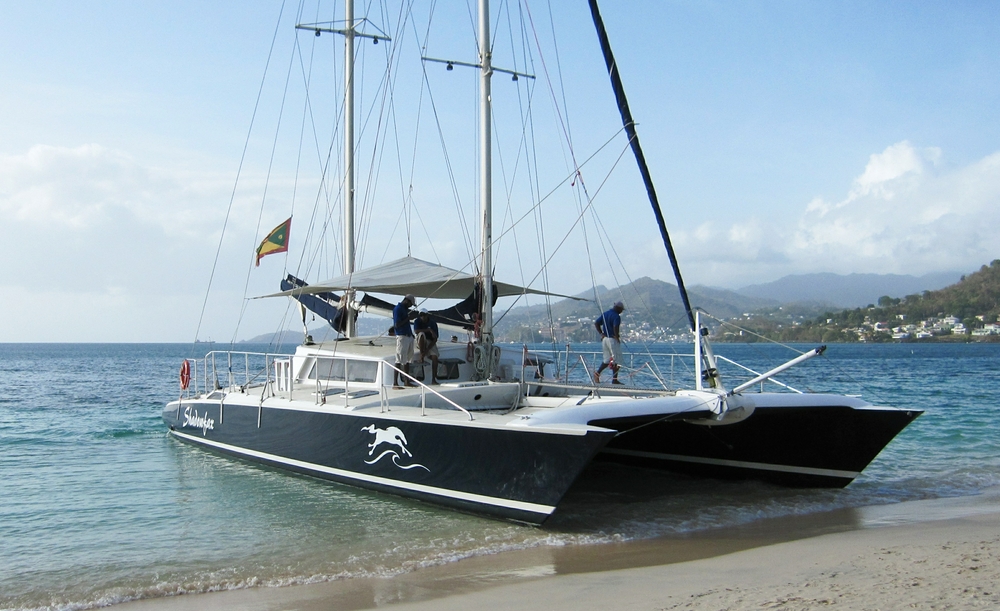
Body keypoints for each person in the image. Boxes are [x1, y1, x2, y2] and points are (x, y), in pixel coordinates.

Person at [594, 301, 625, 384]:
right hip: (612, 339)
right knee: (617, 359)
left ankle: (597, 374)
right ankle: (615, 380)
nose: (621, 311)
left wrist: (601, 333)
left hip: (605, 339)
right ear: (618, 308)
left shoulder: (605, 314)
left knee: (607, 359)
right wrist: (617, 336)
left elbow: (596, 323)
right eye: (621, 309)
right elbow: (615, 326)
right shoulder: (616, 316)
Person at [392, 294, 416, 388]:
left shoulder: (404, 309)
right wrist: (408, 319)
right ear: (406, 301)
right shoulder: (398, 309)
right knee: (399, 359)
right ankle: (395, 383)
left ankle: (407, 381)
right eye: (410, 304)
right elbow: (397, 325)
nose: (410, 306)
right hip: (402, 336)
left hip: (408, 335)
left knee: (407, 360)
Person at [413, 309, 440, 384]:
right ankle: (422, 355)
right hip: (421, 339)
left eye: (424, 315)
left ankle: (434, 379)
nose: (422, 317)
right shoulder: (417, 321)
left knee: (435, 357)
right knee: (421, 334)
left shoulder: (433, 323)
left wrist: (427, 349)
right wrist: (429, 330)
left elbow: (435, 338)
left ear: (427, 315)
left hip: (430, 341)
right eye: (421, 315)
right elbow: (416, 331)